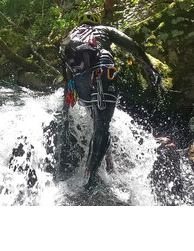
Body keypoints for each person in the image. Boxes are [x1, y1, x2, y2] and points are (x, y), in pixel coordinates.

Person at [60, 12, 161, 189]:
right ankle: (91, 177)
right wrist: (149, 66)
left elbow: (66, 69)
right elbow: (133, 46)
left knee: (98, 123)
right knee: (102, 125)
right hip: (102, 72)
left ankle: (108, 165)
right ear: (97, 22)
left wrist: (67, 101)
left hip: (80, 82)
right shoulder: (104, 30)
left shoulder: (71, 36)